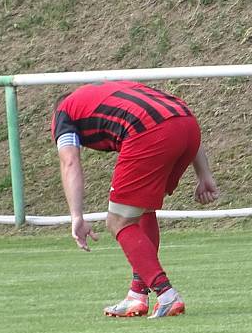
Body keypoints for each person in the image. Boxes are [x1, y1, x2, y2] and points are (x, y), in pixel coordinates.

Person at [52, 80, 219, 317]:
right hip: (188, 125)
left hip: (151, 132)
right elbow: (171, 114)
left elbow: (69, 161)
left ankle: (166, 294)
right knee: (142, 210)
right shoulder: (110, 91)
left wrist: (76, 216)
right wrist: (204, 174)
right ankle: (137, 295)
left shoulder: (64, 112)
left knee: (118, 221)